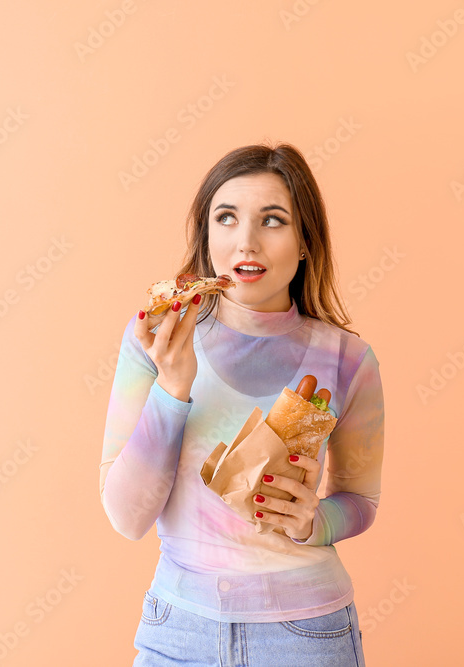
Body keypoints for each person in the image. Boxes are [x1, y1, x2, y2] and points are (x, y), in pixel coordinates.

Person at [99, 143, 385, 666]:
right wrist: (173, 388)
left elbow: (360, 500)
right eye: (225, 218)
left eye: (272, 220)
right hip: (179, 631)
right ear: (208, 236)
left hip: (305, 634)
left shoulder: (347, 359)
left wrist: (313, 523)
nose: (245, 242)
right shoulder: (157, 339)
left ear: (304, 242)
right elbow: (126, 515)